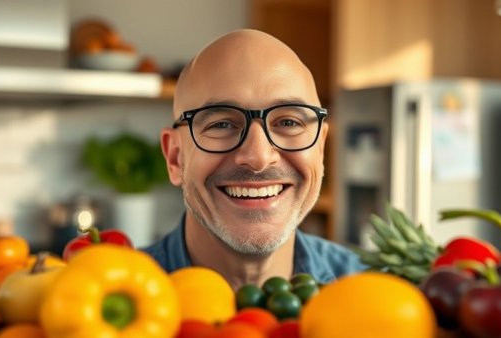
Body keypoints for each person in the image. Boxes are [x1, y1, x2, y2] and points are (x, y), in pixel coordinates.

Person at [143, 29, 366, 290]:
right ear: (174, 157)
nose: (259, 157)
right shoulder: (98, 309)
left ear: (320, 150)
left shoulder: (381, 298)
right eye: (222, 124)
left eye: (288, 122)